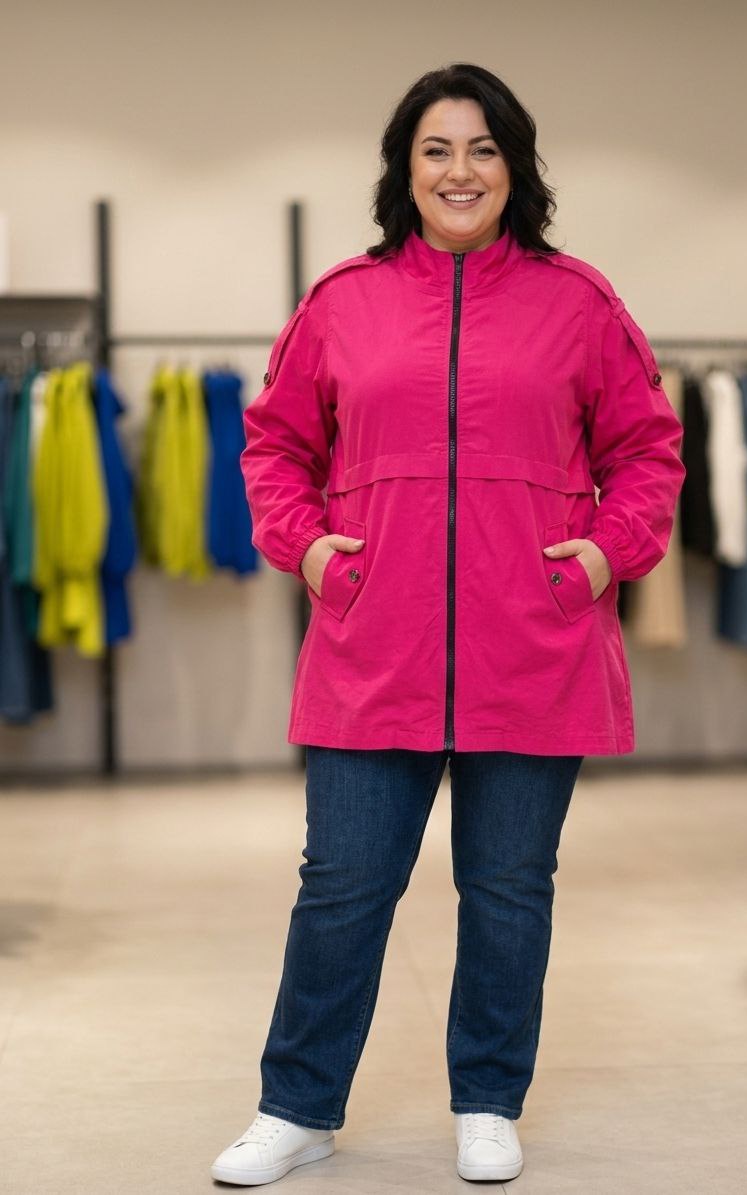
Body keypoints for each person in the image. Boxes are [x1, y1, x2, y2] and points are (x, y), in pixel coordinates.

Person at [211, 62, 685, 1187]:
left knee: (509, 889)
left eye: (481, 148)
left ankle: (486, 1099)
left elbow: (647, 451)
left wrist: (602, 555)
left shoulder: (579, 302)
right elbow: (275, 446)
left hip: (535, 639)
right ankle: (296, 1106)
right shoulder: (343, 301)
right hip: (374, 642)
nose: (459, 170)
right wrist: (309, 550)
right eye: (436, 149)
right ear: (405, 169)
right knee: (342, 884)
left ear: (513, 166)